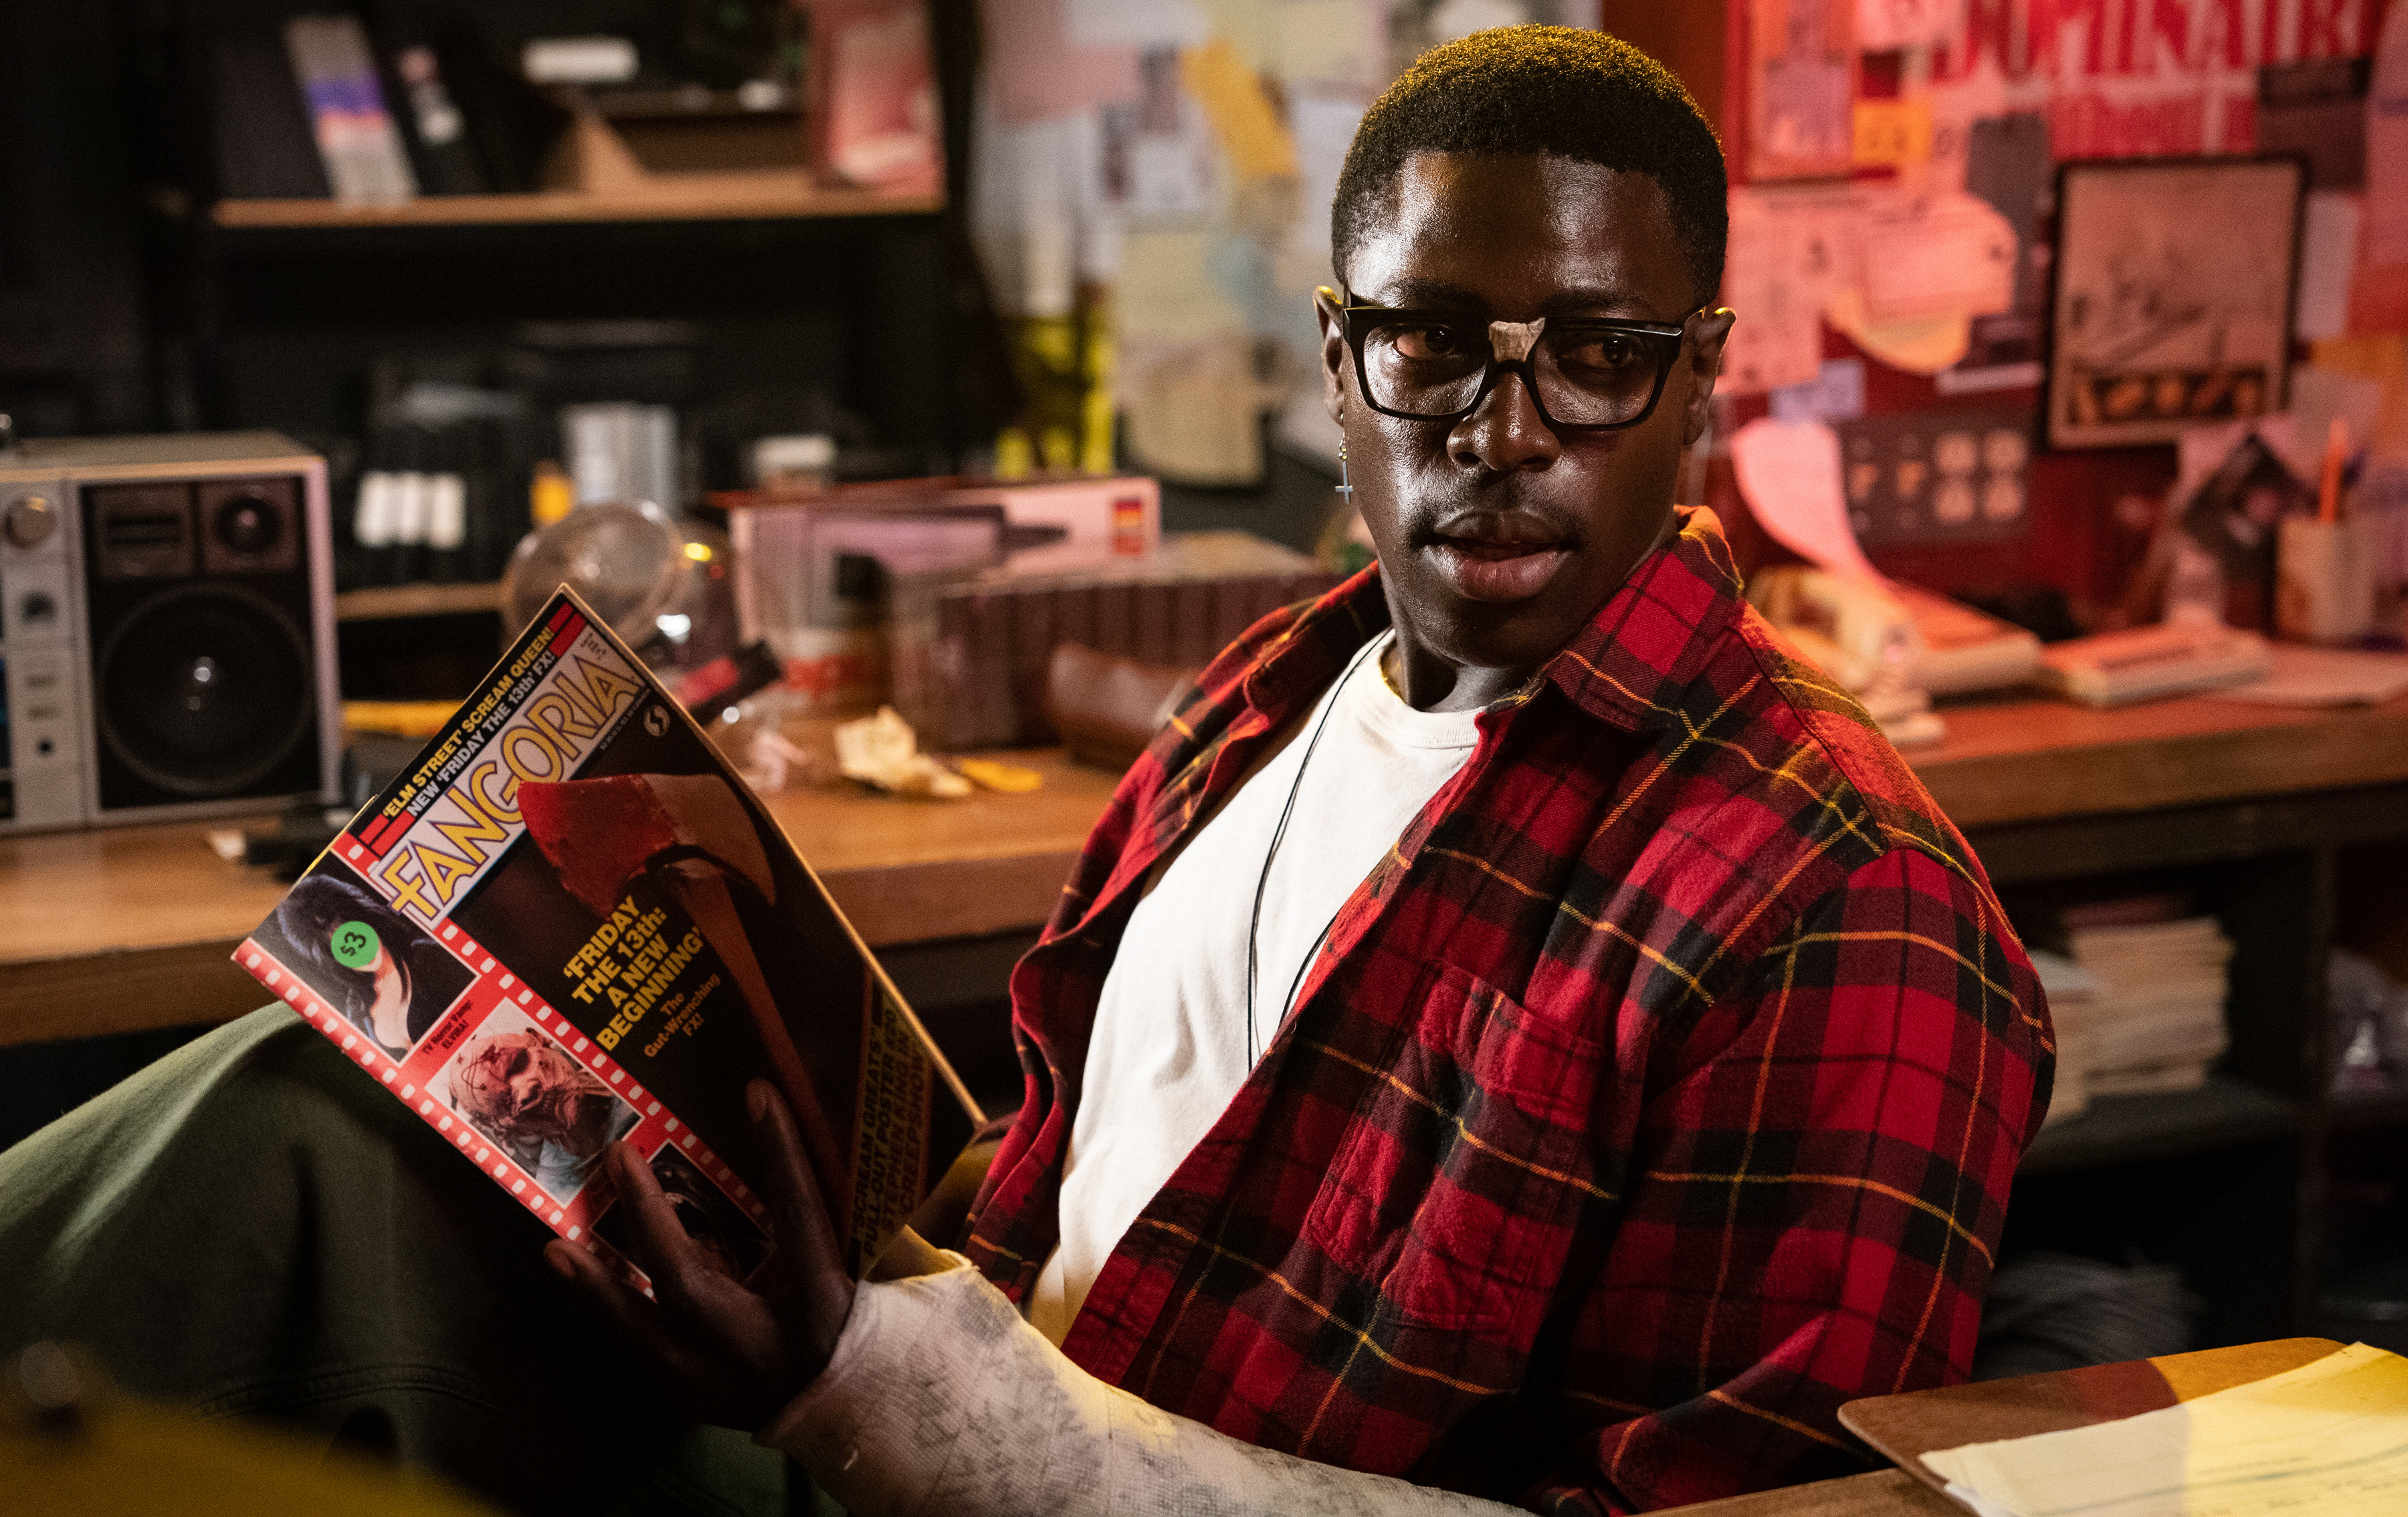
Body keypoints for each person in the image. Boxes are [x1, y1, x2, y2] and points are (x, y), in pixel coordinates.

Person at [0, 25, 2047, 1517]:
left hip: (952, 1455)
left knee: (295, 1197)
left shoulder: (1839, 897)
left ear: (1700, 378)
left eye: (1598, 356)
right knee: (348, 1115)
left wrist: (892, 1389)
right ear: (1338, 365)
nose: (1504, 430)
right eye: (1432, 345)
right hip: (885, 1437)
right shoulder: (1266, 696)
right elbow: (1052, 1203)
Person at [272, 873, 468, 1057]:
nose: (359, 954)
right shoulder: (356, 1008)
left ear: (367, 921)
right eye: (340, 951)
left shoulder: (428, 958)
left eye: (356, 936)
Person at [446, 1025, 639, 1199]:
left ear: (539, 1038)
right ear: (499, 1126)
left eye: (519, 1061)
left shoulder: (621, 1069)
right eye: (505, 1102)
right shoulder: (559, 1191)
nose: (525, 1091)